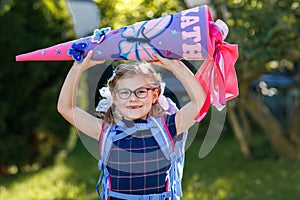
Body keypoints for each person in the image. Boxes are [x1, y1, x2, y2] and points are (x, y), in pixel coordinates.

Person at [57, 50, 206, 199]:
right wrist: (77, 68)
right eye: (124, 92)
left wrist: (175, 66)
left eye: (141, 91)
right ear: (114, 97)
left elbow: (200, 102)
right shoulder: (107, 131)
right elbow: (66, 109)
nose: (132, 99)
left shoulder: (167, 127)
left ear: (154, 95)